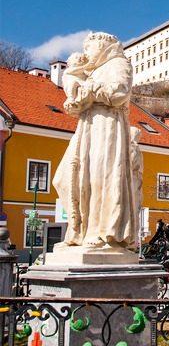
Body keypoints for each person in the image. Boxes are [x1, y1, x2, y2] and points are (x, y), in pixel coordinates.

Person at [53, 32, 137, 251]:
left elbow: (119, 92)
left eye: (88, 49)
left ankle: (101, 233)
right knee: (65, 177)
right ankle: (78, 230)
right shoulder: (93, 71)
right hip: (87, 126)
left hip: (108, 125)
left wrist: (89, 91)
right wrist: (76, 104)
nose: (85, 54)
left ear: (102, 46)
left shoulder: (119, 63)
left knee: (102, 177)